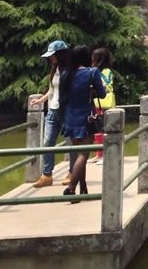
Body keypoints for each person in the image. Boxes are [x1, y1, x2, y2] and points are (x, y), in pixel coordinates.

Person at [60, 45, 106, 200]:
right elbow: (102, 94)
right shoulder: (92, 73)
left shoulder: (66, 75)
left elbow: (62, 98)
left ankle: (83, 188)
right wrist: (92, 90)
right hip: (86, 117)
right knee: (83, 155)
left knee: (79, 153)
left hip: (70, 118)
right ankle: (71, 188)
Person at [29, 40, 71, 188]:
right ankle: (47, 175)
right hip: (52, 111)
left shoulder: (71, 70)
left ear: (61, 54)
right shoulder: (55, 69)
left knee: (70, 143)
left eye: (53, 55)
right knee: (47, 142)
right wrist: (42, 99)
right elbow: (53, 89)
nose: (51, 58)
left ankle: (72, 173)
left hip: (66, 111)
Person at [90, 47, 116, 164]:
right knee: (97, 129)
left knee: (103, 128)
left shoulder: (106, 71)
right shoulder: (94, 70)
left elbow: (107, 86)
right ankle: (98, 154)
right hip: (96, 102)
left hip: (104, 103)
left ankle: (105, 155)